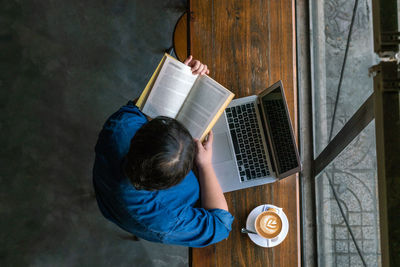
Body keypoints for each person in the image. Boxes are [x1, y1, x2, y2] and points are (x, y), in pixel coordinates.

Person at [93, 55, 234, 247]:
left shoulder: (121, 126)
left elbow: (139, 108)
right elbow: (220, 226)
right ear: (173, 183)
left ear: (141, 135)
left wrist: (178, 80)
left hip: (108, 195)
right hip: (124, 213)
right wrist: (205, 165)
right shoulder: (167, 218)